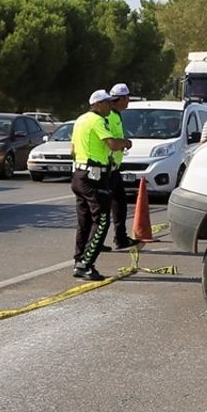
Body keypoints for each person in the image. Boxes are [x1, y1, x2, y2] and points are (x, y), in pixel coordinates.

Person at [70, 89, 132, 281]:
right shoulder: (97, 120)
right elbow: (112, 144)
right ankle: (86, 264)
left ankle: (79, 258)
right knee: (102, 219)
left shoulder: (80, 120)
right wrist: (126, 142)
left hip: (79, 174)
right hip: (93, 176)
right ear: (96, 104)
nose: (109, 105)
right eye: (105, 102)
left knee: (85, 220)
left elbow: (72, 149)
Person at [106, 82, 139, 250]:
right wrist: (124, 143)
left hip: (114, 167)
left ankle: (120, 237)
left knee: (119, 203)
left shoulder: (116, 115)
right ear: (121, 99)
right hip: (106, 167)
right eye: (126, 99)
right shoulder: (109, 116)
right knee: (106, 206)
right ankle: (103, 241)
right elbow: (109, 141)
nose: (128, 102)